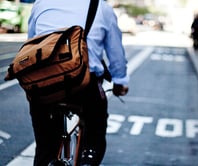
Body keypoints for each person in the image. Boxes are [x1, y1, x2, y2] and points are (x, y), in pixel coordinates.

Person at [27, 0, 129, 165]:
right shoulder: (102, 8)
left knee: (45, 147)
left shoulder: (41, 3)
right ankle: (89, 157)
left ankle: (45, 158)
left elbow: (31, 43)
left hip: (43, 86)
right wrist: (120, 81)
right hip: (83, 86)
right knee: (96, 127)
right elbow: (116, 54)